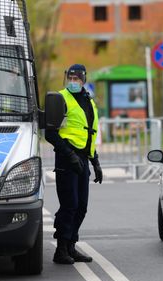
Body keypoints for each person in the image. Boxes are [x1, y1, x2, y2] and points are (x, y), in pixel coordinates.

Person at [45, 64, 103, 265]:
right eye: (70, 77)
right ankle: (60, 249)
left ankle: (71, 245)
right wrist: (69, 155)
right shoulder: (60, 99)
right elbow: (50, 134)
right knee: (70, 205)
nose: (73, 81)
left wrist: (95, 162)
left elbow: (89, 134)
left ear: (84, 79)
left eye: (77, 78)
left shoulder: (88, 100)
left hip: (82, 158)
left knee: (82, 207)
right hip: (66, 158)